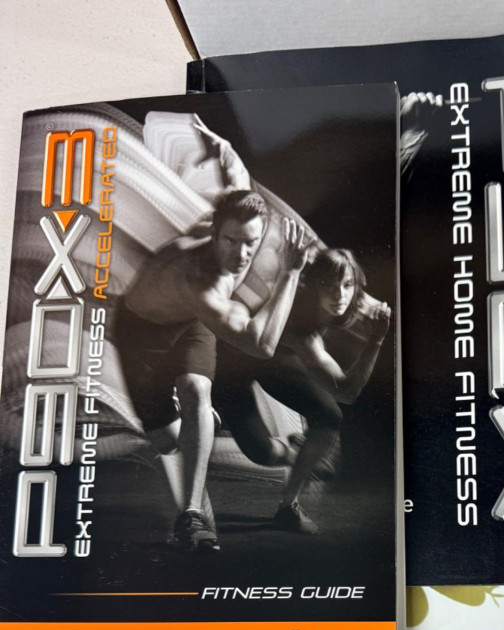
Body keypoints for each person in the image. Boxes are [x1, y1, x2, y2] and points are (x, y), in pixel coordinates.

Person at [116, 116, 308, 550]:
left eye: (250, 243)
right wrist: (290, 274)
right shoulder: (201, 284)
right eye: (230, 242)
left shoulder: (230, 223)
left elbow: (238, 181)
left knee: (196, 390)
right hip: (139, 333)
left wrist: (221, 145)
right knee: (167, 441)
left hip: (188, 325)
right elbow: (262, 344)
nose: (241, 254)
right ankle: (198, 428)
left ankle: (190, 516)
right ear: (214, 232)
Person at [212, 247, 391, 534]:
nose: (339, 295)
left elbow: (345, 394)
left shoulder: (342, 303)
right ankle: (292, 453)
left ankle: (288, 508)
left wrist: (375, 334)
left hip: (275, 358)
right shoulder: (302, 330)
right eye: (329, 286)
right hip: (233, 366)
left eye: (346, 285)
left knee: (329, 416)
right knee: (262, 453)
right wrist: (375, 342)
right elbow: (347, 393)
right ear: (315, 286)